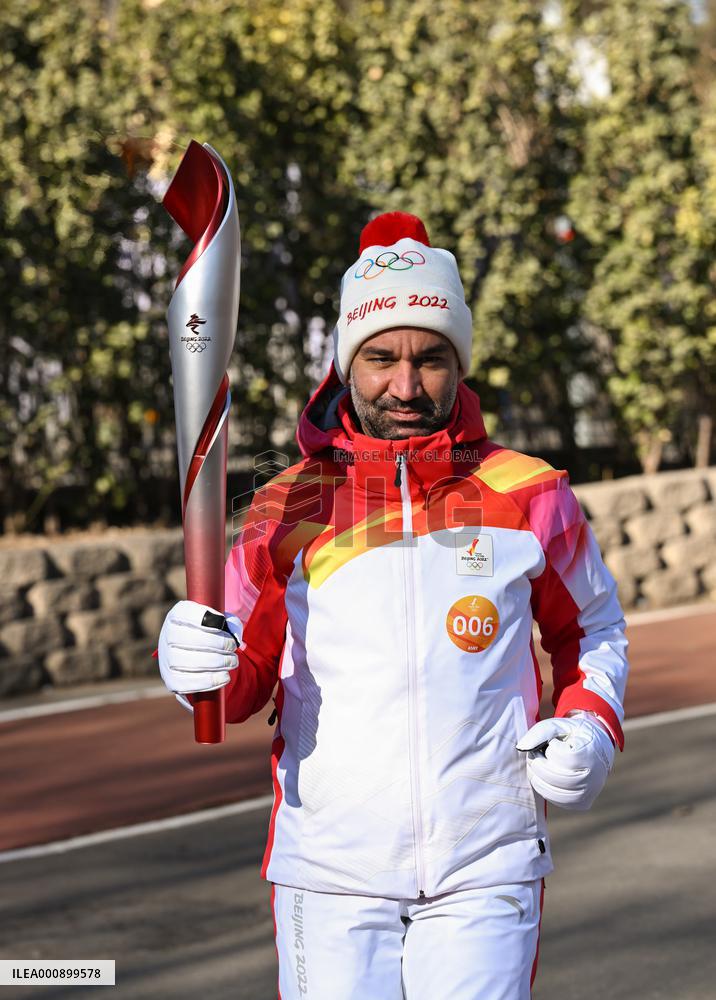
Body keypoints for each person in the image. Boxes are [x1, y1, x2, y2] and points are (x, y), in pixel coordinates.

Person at [157, 211, 629, 999]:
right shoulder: (289, 506)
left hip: (488, 864)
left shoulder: (529, 493)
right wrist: (193, 662)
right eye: (381, 359)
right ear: (347, 363)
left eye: (429, 359)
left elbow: (592, 628)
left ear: (460, 363)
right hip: (329, 873)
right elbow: (238, 684)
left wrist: (591, 726)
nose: (405, 387)